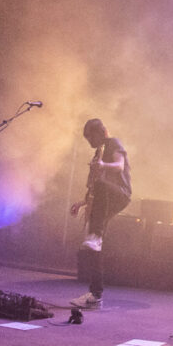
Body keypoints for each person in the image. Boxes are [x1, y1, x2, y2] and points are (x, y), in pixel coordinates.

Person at [69, 118, 131, 310]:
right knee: (92, 250)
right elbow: (96, 187)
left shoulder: (114, 143)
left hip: (119, 193)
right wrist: (82, 203)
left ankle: (96, 235)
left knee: (94, 236)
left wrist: (103, 165)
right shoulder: (98, 153)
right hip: (103, 199)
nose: (90, 142)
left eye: (91, 137)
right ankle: (95, 295)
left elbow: (119, 165)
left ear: (101, 132)